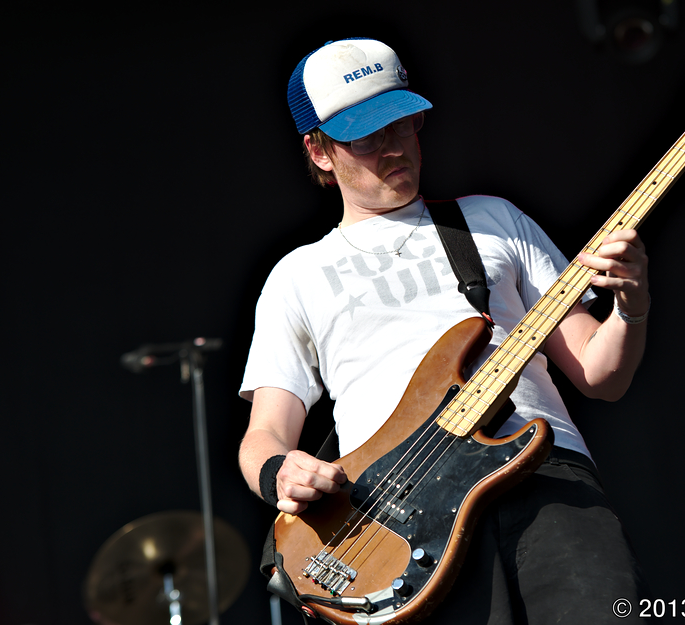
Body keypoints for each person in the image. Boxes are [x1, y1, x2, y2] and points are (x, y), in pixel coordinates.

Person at [238, 37, 652, 623]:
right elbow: (264, 435)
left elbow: (599, 375)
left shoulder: (492, 218)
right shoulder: (297, 275)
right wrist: (282, 471)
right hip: (396, 517)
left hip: (545, 477)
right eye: (366, 137)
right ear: (319, 150)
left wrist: (631, 304)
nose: (393, 147)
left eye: (402, 124)